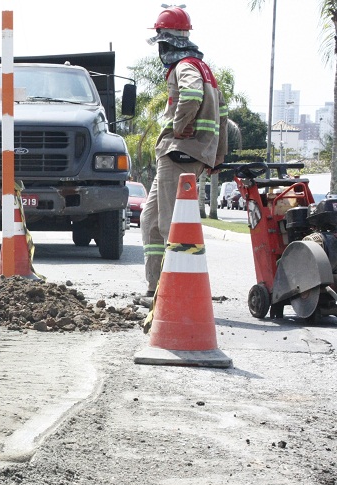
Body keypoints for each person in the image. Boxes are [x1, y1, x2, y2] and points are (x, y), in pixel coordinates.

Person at [138, 6, 228, 308]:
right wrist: (218, 155)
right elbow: (223, 114)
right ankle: (155, 288)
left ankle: (174, 295)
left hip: (180, 152)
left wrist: (178, 126)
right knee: (150, 219)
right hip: (185, 153)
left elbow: (190, 96)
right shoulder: (203, 68)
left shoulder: (185, 66)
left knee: (168, 224)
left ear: (167, 42)